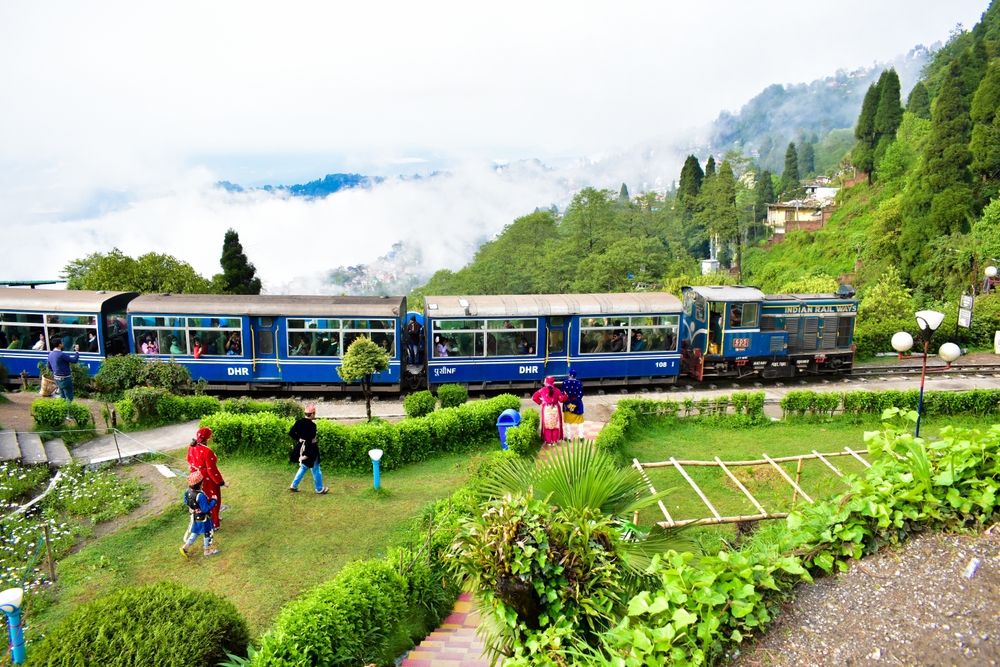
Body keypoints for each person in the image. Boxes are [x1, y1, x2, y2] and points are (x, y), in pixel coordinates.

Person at [187, 428, 228, 530]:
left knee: (203, 499)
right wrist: (221, 482)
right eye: (210, 436)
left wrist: (194, 476)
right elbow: (211, 470)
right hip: (208, 479)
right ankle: (214, 524)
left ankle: (212, 519)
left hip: (197, 477)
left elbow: (190, 462)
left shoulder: (192, 447)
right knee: (213, 498)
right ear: (207, 438)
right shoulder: (207, 451)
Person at [288, 405, 329, 494]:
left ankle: (294, 485)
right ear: (312, 414)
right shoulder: (312, 426)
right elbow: (309, 440)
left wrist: (299, 438)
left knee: (304, 467)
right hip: (311, 449)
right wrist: (306, 454)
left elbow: (291, 433)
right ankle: (319, 489)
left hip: (301, 447)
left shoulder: (299, 422)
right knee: (316, 468)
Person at [180, 471, 218, 558]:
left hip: (195, 517)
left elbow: (186, 501)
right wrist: (213, 500)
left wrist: (193, 508)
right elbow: (205, 509)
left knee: (196, 532)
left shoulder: (187, 491)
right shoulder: (200, 495)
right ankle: (207, 551)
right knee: (208, 533)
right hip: (204, 518)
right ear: (200, 483)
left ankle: (185, 547)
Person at [532, 376, 568, 445]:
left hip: (546, 408)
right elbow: (561, 399)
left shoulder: (542, 390)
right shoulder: (557, 390)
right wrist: (566, 395)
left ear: (546, 382)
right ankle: (554, 441)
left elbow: (534, 397)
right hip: (555, 409)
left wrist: (540, 402)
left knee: (547, 425)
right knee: (555, 425)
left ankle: (548, 441)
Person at [561, 369, 585, 439]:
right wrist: (574, 405)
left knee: (568, 422)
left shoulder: (564, 383)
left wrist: (569, 405)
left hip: (567, 404)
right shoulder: (579, 383)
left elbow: (563, 394)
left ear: (569, 375)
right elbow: (580, 395)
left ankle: (568, 437)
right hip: (578, 404)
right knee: (580, 421)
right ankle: (581, 437)